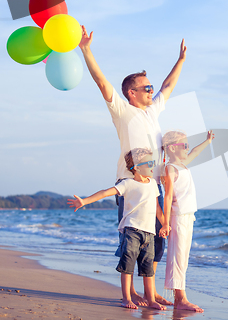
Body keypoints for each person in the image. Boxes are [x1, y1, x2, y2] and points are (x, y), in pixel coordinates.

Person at [78, 25, 186, 306]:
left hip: (154, 184)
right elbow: (102, 83)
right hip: (129, 185)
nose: (152, 91)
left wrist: (181, 61)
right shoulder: (123, 112)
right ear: (131, 93)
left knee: (155, 241)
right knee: (131, 241)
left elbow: (168, 86)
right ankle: (132, 292)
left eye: (151, 87)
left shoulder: (153, 110)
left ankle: (148, 292)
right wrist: (86, 49)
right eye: (146, 88)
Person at [68, 148, 169, 310]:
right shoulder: (127, 184)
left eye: (153, 162)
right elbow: (104, 193)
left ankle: (150, 299)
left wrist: (164, 224)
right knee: (127, 265)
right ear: (136, 167)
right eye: (149, 163)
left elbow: (157, 208)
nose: (153, 166)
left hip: (149, 233)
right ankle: (126, 298)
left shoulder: (153, 184)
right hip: (132, 231)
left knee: (148, 268)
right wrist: (85, 202)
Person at [159, 129, 215, 312]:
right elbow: (167, 197)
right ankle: (180, 298)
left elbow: (195, 153)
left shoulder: (182, 165)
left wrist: (207, 142)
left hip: (188, 216)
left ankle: (179, 297)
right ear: (173, 148)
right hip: (178, 216)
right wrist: (166, 223)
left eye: (187, 146)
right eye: (184, 146)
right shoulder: (170, 168)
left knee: (183, 257)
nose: (187, 149)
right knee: (178, 256)